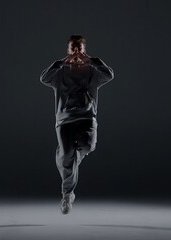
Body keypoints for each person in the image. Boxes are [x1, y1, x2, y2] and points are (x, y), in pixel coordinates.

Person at [39, 34, 114, 214]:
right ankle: (67, 195)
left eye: (79, 48)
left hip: (87, 117)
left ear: (84, 50)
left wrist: (94, 61)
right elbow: (43, 78)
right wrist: (59, 63)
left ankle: (66, 157)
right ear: (68, 50)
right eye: (73, 48)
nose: (76, 52)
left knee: (87, 146)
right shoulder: (60, 73)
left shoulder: (92, 71)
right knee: (68, 156)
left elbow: (109, 75)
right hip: (64, 119)